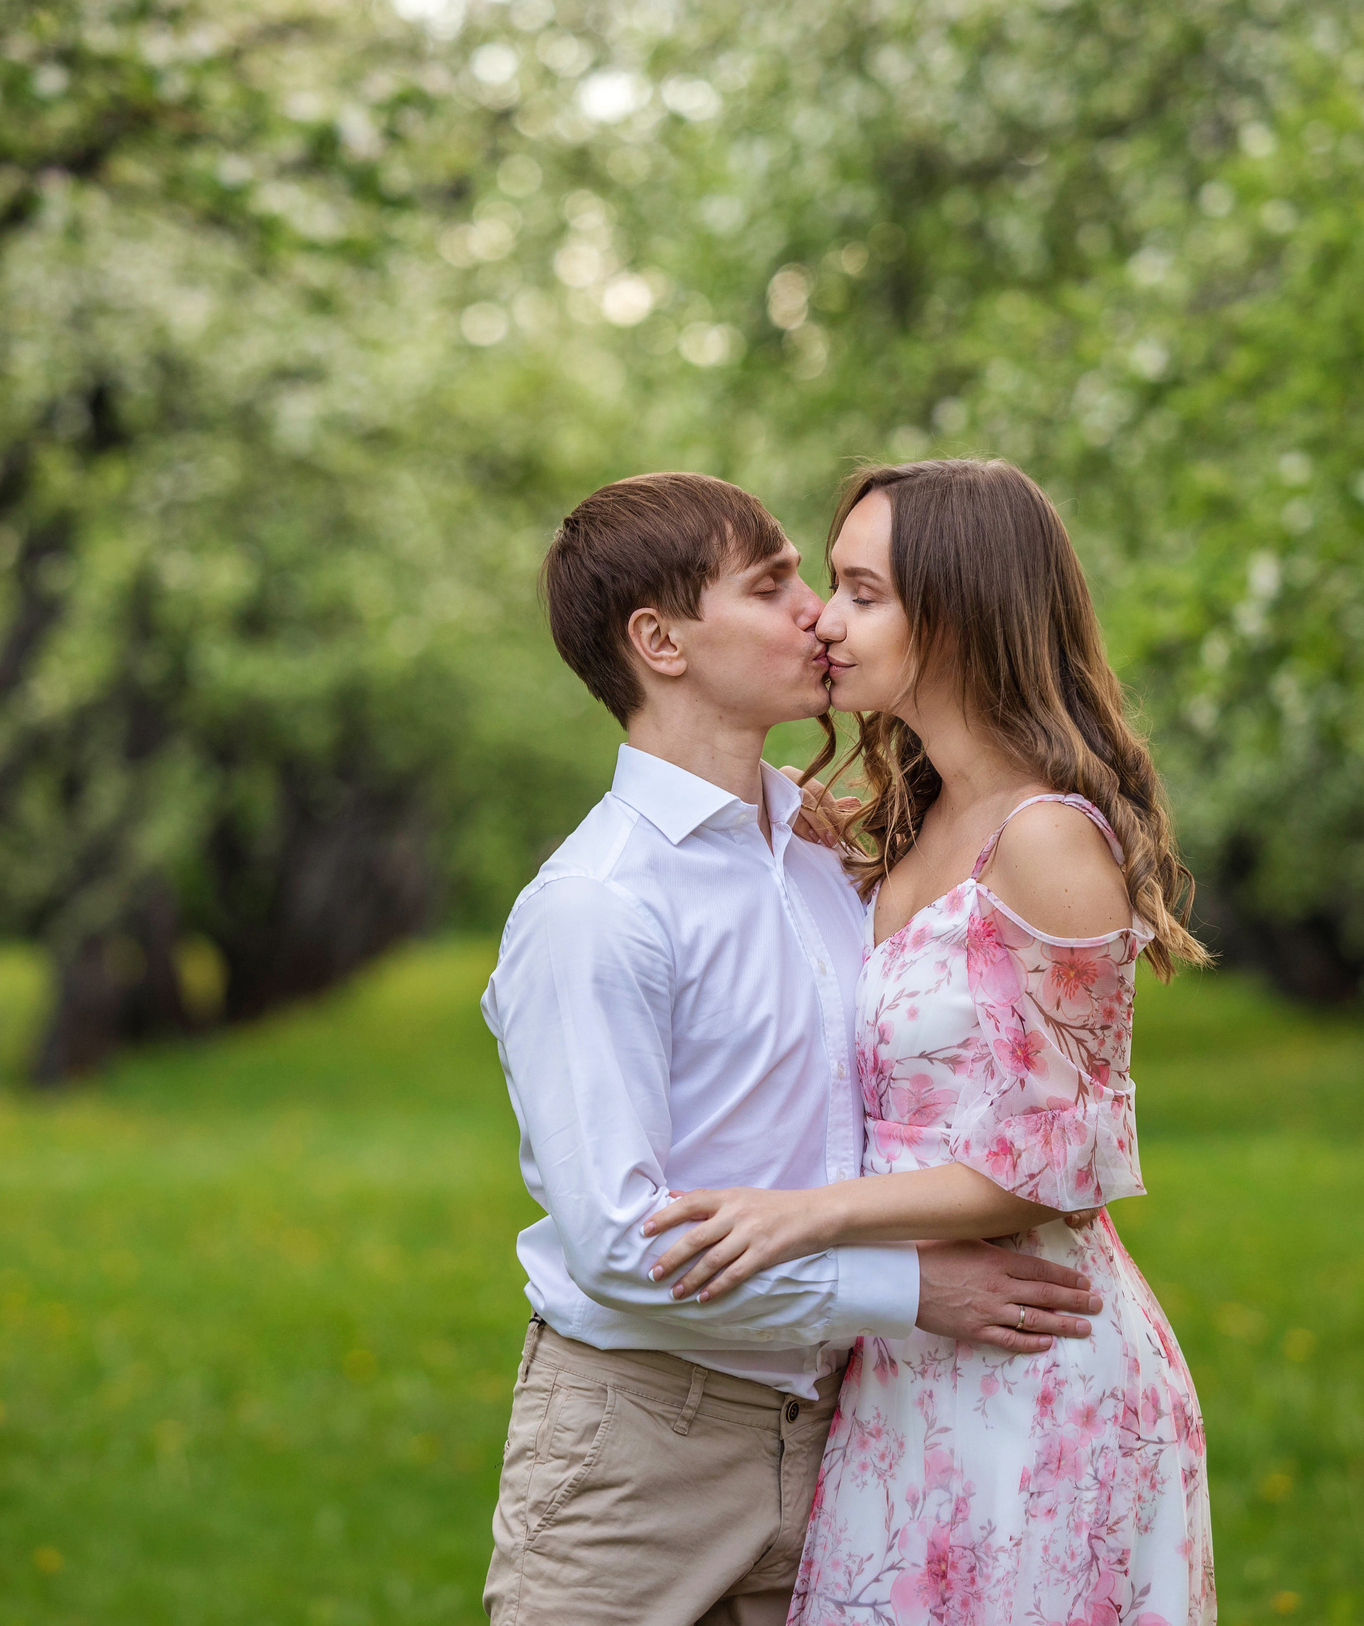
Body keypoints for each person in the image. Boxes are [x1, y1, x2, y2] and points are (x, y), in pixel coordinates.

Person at [481, 471, 1108, 1626]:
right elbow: (622, 1245)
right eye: (773, 586)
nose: (815, 611)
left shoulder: (829, 850)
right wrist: (910, 1288)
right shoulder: (598, 905)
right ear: (660, 641)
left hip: (842, 1426)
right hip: (640, 1449)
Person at [640, 459, 1218, 1626]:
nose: (824, 620)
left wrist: (799, 1216)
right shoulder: (910, 821)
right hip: (906, 1364)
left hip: (1037, 1370)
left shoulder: (1046, 841)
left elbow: (1066, 1162)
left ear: (958, 609)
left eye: (862, 592)